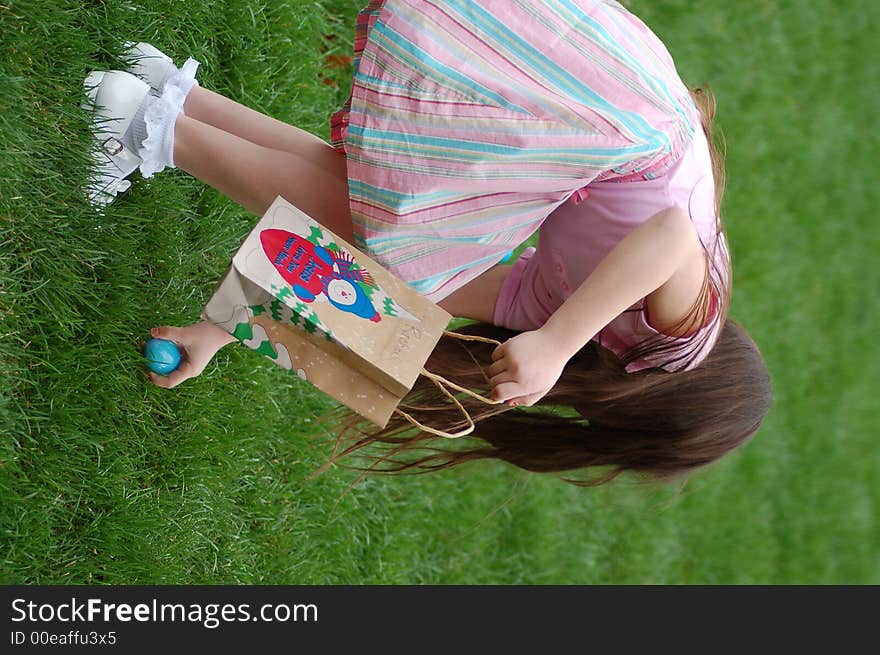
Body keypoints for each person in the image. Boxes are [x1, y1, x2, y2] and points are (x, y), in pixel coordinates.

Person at [83, 0, 771, 486]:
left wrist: (221, 330)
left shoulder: (584, 323)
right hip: (606, 109)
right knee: (392, 241)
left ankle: (173, 94)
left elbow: (402, 288)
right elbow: (672, 235)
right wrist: (557, 344)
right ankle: (140, 123)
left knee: (393, 246)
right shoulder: (679, 337)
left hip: (603, 102)